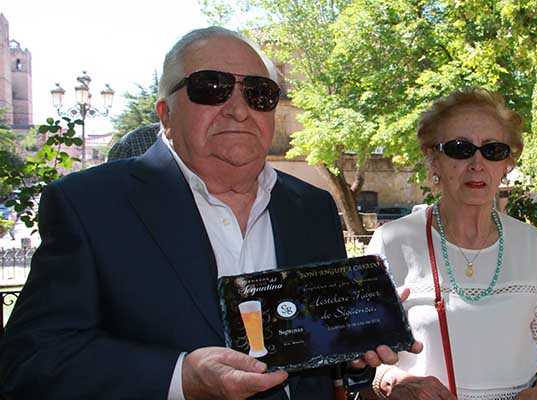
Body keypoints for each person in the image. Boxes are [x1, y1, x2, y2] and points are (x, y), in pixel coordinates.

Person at [0, 27, 407, 400]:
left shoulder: (312, 207)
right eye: (211, 87)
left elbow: (319, 347)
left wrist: (354, 340)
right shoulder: (90, 204)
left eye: (259, 93)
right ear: (165, 114)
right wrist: (181, 378)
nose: (238, 109)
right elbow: (30, 361)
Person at [366, 88, 537, 399]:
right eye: (460, 148)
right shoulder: (391, 243)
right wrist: (392, 382)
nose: (477, 163)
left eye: (493, 150)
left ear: (506, 163)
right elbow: (365, 362)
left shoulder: (533, 246)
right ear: (433, 159)